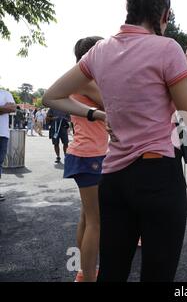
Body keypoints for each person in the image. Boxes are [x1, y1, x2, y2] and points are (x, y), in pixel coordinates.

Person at [43, 0, 187, 282]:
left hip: (114, 177)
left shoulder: (100, 50)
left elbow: (51, 96)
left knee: (113, 272)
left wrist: (96, 113)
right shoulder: (167, 48)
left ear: (129, 10)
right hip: (158, 175)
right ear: (164, 15)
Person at [63, 36, 108, 282]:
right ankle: (87, 276)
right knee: (95, 222)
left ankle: (84, 270)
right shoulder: (86, 81)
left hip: (86, 153)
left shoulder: (83, 81)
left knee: (87, 217)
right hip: (90, 154)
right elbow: (111, 102)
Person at [0, 88, 16, 201]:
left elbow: (12, 108)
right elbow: (7, 108)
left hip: (2, 134)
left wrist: (7, 108)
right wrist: (3, 108)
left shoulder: (5, 93)